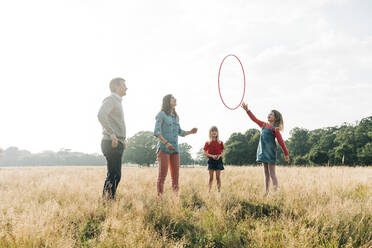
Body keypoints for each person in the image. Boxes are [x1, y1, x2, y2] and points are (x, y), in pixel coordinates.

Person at [241, 102, 290, 195]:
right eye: (269, 114)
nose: (269, 115)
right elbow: (254, 119)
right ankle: (266, 192)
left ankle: (275, 192)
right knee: (266, 174)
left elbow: (281, 142)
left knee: (272, 173)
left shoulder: (275, 129)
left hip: (270, 153)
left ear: (276, 118)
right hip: (263, 152)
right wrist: (247, 110)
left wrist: (286, 153)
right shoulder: (263, 125)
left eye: (271, 114)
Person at [154, 94, 197, 196]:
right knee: (162, 176)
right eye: (173, 98)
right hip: (164, 149)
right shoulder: (161, 114)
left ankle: (175, 199)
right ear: (168, 101)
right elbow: (156, 132)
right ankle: (160, 200)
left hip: (175, 150)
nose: (175, 99)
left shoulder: (176, 116)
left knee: (175, 177)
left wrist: (190, 132)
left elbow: (180, 132)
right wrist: (166, 143)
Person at [98, 77, 127, 200]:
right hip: (111, 142)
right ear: (116, 87)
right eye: (123, 85)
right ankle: (107, 202)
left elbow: (116, 122)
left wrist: (123, 139)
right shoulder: (111, 100)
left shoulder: (118, 102)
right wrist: (112, 134)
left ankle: (109, 200)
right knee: (114, 175)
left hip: (117, 141)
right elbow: (101, 115)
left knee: (115, 175)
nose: (126, 88)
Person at [203, 126, 224, 192]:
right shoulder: (208, 142)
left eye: (215, 131)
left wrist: (219, 155)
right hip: (211, 161)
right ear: (210, 133)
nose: (214, 132)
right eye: (212, 131)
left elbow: (223, 151)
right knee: (211, 178)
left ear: (217, 133)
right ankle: (209, 191)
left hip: (218, 161)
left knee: (218, 177)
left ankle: (219, 191)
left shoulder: (220, 142)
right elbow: (205, 152)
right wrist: (212, 156)